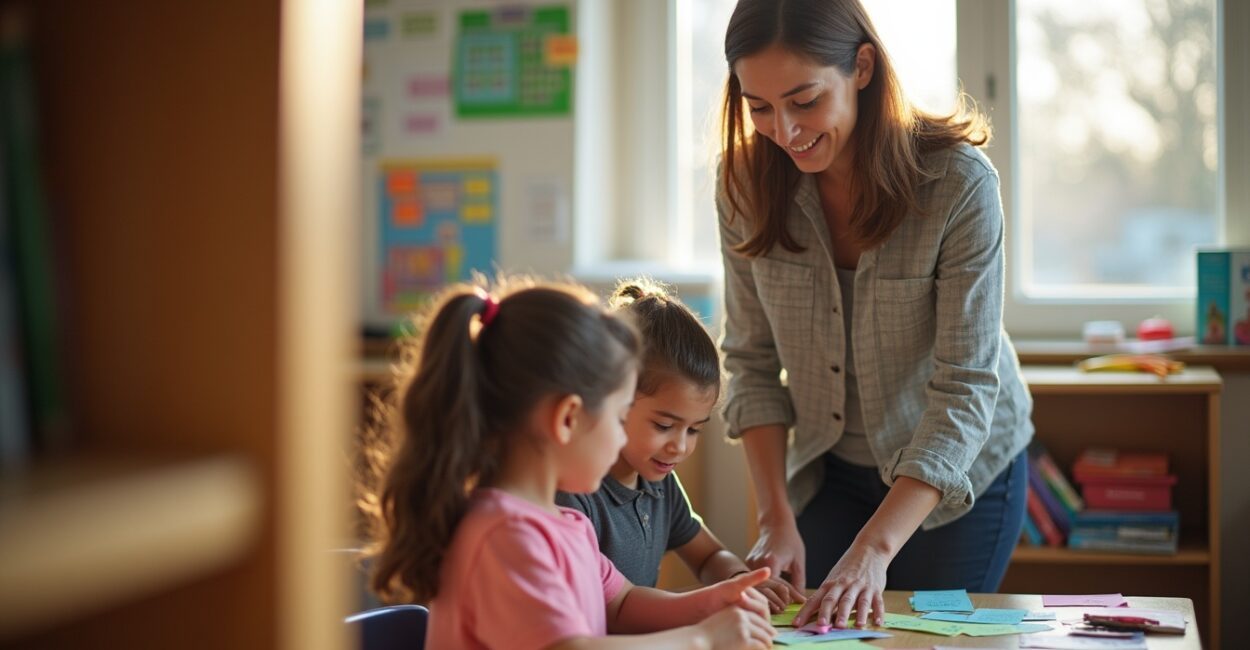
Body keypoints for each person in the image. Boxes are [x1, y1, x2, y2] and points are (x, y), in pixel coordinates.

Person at [715, 0, 1035, 632]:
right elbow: (751, 364)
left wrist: (874, 551)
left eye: (804, 100)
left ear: (862, 67)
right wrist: (773, 518)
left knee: (923, 640)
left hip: (956, 482)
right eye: (759, 107)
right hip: (829, 470)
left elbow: (965, 389)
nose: (784, 129)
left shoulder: (958, 185)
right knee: (817, 633)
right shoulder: (744, 185)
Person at [361, 278, 776, 650]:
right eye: (617, 419)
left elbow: (623, 604)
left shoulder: (566, 524)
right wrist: (702, 638)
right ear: (567, 420)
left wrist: (713, 601)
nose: (618, 439)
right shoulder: (506, 538)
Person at [557, 279, 806, 613]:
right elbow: (614, 610)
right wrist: (707, 605)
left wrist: (738, 579)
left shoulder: (661, 485)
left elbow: (709, 555)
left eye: (694, 431)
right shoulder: (575, 494)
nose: (680, 447)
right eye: (664, 426)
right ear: (613, 399)